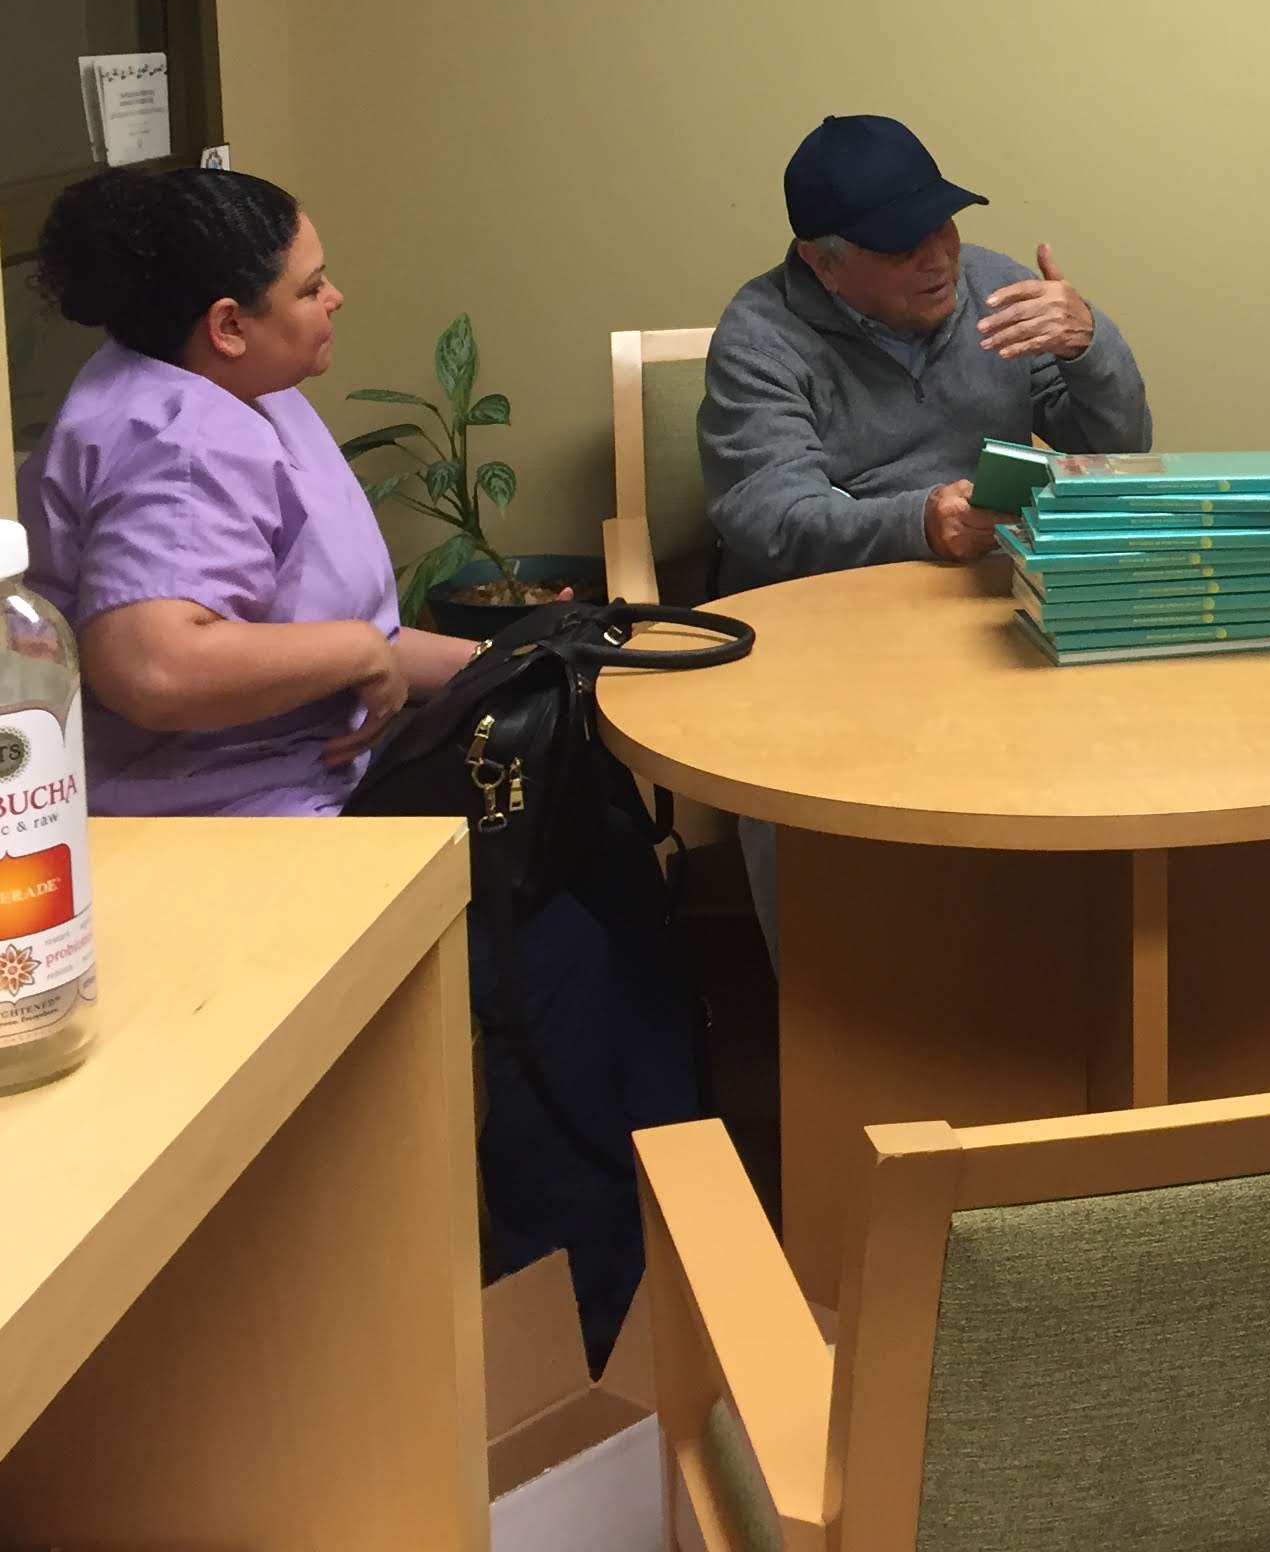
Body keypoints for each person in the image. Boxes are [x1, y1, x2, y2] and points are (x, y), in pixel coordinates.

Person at [16, 167, 692, 1362]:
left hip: (319, 785)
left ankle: (628, 1294)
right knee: (572, 962)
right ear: (229, 322)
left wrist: (566, 659)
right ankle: (588, 1340)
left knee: (608, 889)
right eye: (311, 284)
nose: (339, 298)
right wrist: (348, 652)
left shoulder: (229, 384)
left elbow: (369, 648)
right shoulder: (177, 435)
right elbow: (151, 664)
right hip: (241, 844)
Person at [698, 114, 1153, 940]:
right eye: (901, 245)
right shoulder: (760, 336)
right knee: (792, 794)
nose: (938, 256)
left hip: (992, 605)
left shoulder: (995, 288)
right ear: (822, 262)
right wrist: (918, 523)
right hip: (825, 633)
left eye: (943, 224)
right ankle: (832, 1038)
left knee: (1134, 732)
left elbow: (1118, 450)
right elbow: (768, 520)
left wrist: (1091, 344)